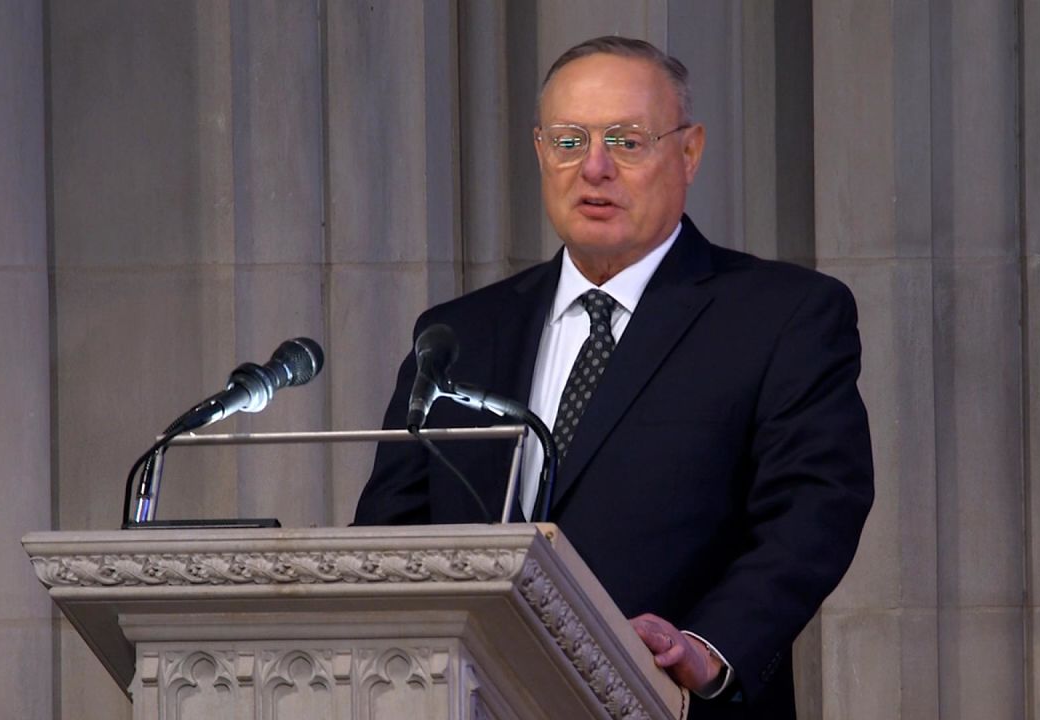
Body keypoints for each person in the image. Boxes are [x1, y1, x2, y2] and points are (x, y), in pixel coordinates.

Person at [354, 35, 873, 720]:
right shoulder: (459, 335)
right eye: (569, 142)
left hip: (669, 700)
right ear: (540, 150)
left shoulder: (781, 314)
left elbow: (814, 508)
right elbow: (390, 534)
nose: (593, 168)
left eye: (626, 142)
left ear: (688, 152)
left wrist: (706, 646)